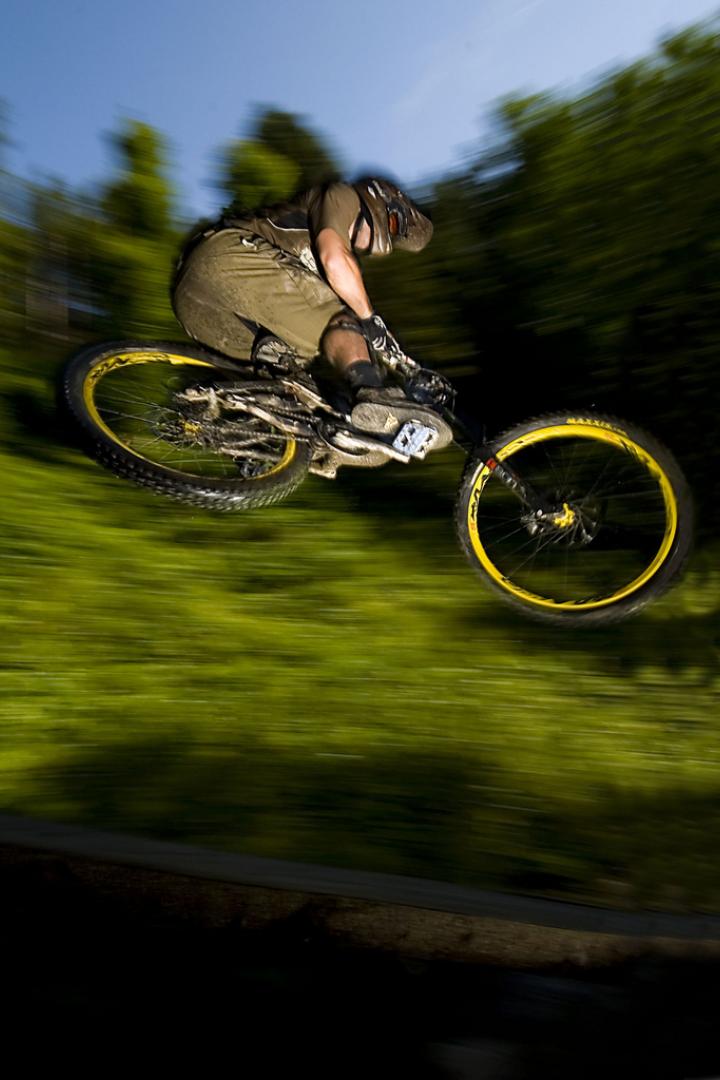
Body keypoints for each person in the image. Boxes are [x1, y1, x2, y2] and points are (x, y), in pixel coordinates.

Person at [171, 177, 452, 434]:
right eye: (393, 226)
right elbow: (335, 260)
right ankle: (374, 399)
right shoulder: (343, 197)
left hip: (197, 309)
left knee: (291, 382)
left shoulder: (336, 269)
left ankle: (227, 430)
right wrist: (369, 318)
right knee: (344, 321)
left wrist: (400, 362)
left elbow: (356, 338)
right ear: (382, 201)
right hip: (225, 258)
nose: (389, 241)